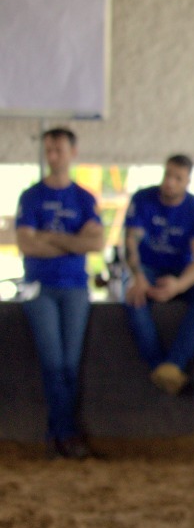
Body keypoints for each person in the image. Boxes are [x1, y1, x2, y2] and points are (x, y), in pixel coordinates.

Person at [15, 127, 104, 459]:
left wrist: (49, 239)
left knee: (69, 364)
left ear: (72, 153)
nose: (53, 156)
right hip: (41, 288)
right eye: (48, 150)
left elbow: (96, 242)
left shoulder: (83, 198)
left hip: (74, 288)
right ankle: (67, 434)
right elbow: (25, 243)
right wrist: (73, 242)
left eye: (58, 150)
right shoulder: (31, 196)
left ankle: (60, 433)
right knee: (54, 363)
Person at [122, 154, 194, 395]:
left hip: (179, 271)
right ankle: (159, 367)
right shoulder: (143, 200)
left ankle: (175, 363)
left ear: (187, 182)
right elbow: (130, 242)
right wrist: (138, 276)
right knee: (133, 295)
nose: (170, 183)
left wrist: (179, 285)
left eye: (178, 178)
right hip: (147, 269)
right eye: (168, 175)